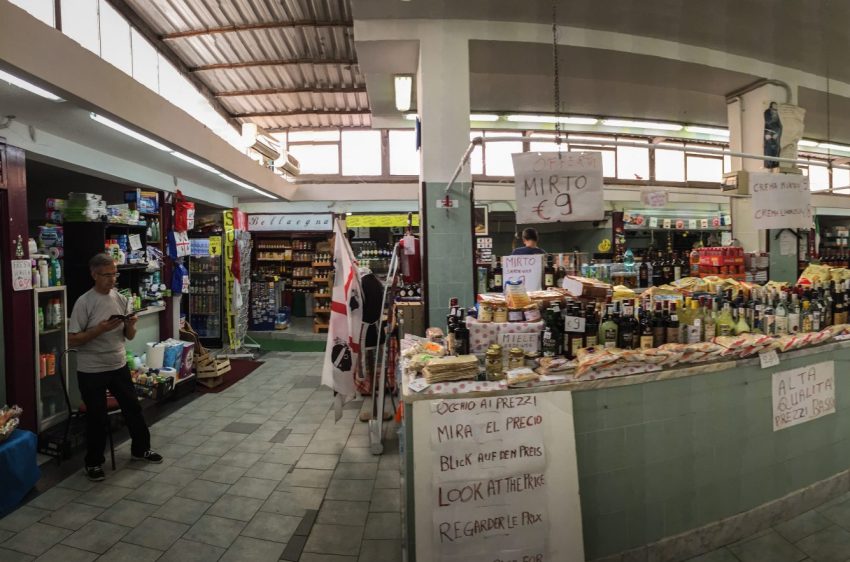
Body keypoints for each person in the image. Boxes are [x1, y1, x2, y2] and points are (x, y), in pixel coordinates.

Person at [68, 253, 162, 481]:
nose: (112, 279)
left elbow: (128, 337)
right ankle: (94, 462)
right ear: (94, 275)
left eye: (115, 274)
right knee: (97, 417)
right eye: (107, 275)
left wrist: (131, 325)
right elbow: (73, 339)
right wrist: (99, 329)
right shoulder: (84, 302)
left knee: (133, 408)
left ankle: (141, 449)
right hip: (91, 369)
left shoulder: (121, 299)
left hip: (118, 363)